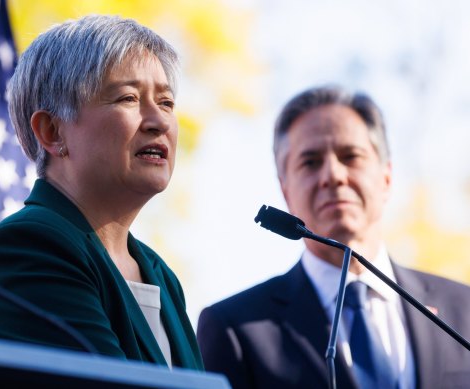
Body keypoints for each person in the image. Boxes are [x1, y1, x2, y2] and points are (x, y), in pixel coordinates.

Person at [0, 14, 203, 371]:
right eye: (128, 98)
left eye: (165, 103)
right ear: (52, 131)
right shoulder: (29, 246)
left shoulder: (160, 274)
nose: (159, 121)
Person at [197, 85, 470, 388]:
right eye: (310, 162)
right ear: (285, 189)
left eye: (350, 156)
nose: (333, 175)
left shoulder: (464, 309)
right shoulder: (235, 328)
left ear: (386, 178)